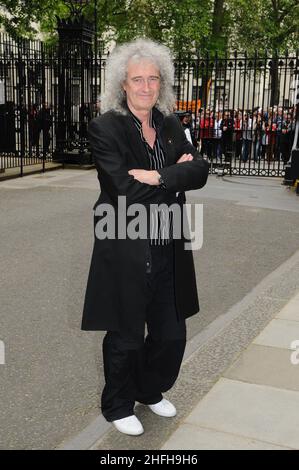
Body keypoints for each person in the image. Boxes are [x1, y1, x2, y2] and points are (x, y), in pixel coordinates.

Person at [81, 38, 209, 436]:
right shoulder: (105, 128)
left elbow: (201, 170)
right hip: (125, 243)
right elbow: (122, 189)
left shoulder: (171, 124)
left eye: (153, 79)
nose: (146, 87)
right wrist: (175, 177)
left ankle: (149, 390)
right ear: (123, 84)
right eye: (137, 79)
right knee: (126, 333)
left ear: (162, 83)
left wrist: (159, 176)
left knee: (171, 333)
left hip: (169, 242)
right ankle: (117, 403)